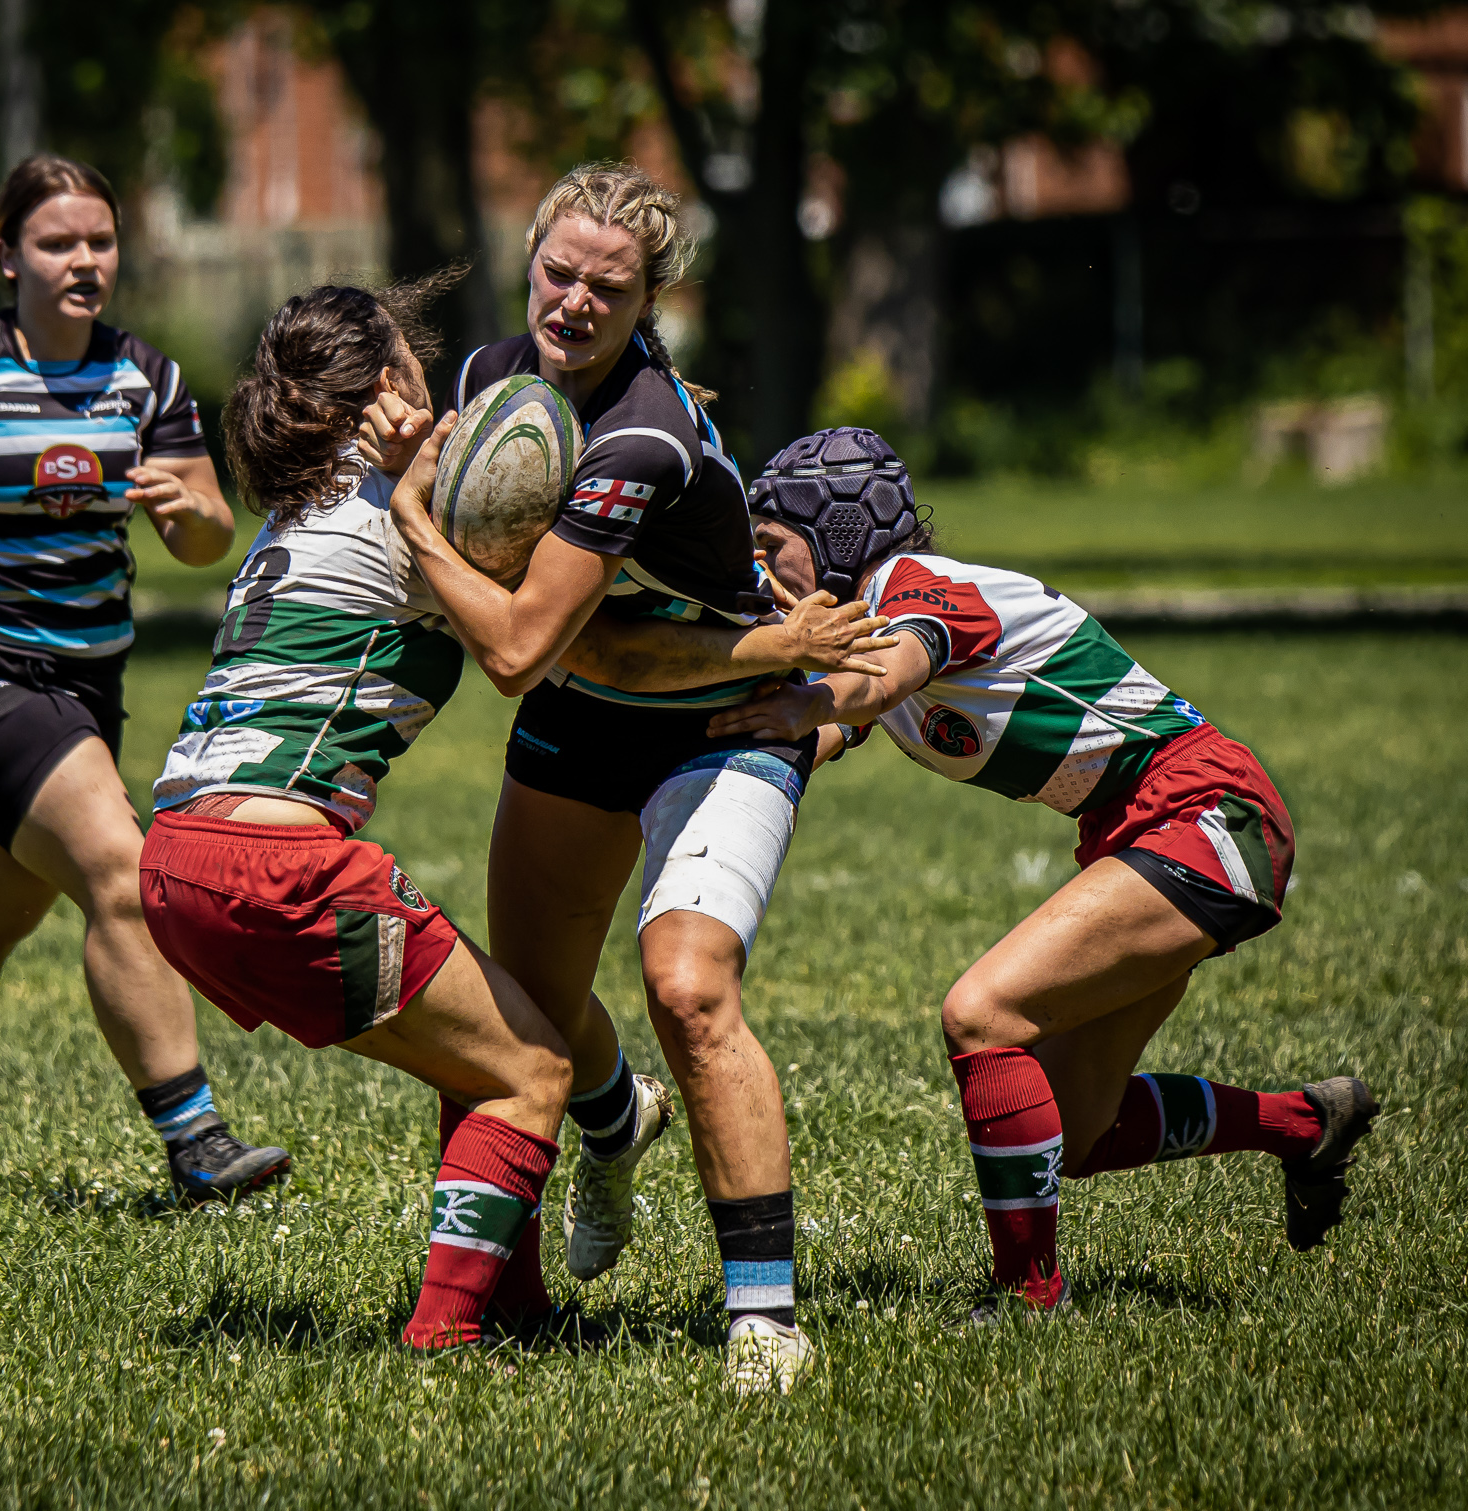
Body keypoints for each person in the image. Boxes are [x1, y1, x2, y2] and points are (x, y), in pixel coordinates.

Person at [364, 162, 894, 1392]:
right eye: (556, 272)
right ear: (529, 259)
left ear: (648, 295)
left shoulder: (642, 434)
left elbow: (508, 647)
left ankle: (763, 1320)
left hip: (721, 726)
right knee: (511, 1021)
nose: (571, 303)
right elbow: (559, 643)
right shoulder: (490, 378)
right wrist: (413, 456)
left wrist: (416, 517)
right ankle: (547, 1238)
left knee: (685, 986)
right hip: (585, 719)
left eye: (606, 287)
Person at [707, 425, 1378, 1320]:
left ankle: (1028, 1300)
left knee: (981, 1015)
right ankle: (1307, 1122)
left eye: (770, 545)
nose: (761, 569)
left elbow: (872, 686)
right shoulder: (863, 629)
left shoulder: (914, 596)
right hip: (1138, 830)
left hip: (1210, 812)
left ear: (835, 534)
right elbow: (834, 729)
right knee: (1077, 1130)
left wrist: (799, 696)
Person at [139, 280, 575, 1350]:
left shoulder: (303, 509)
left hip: (171, 860)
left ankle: (515, 1304)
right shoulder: (404, 509)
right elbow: (538, 636)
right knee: (533, 1072)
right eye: (413, 364)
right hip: (272, 863)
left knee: (476, 1051)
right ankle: (446, 1333)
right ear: (388, 384)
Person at [0, 154, 290, 1202]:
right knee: (119, 867)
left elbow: (209, 528)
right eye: (57, 243)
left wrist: (185, 516)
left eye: (99, 240)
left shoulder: (147, 375)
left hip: (85, 688)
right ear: (5, 256)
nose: (84, 260)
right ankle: (195, 1141)